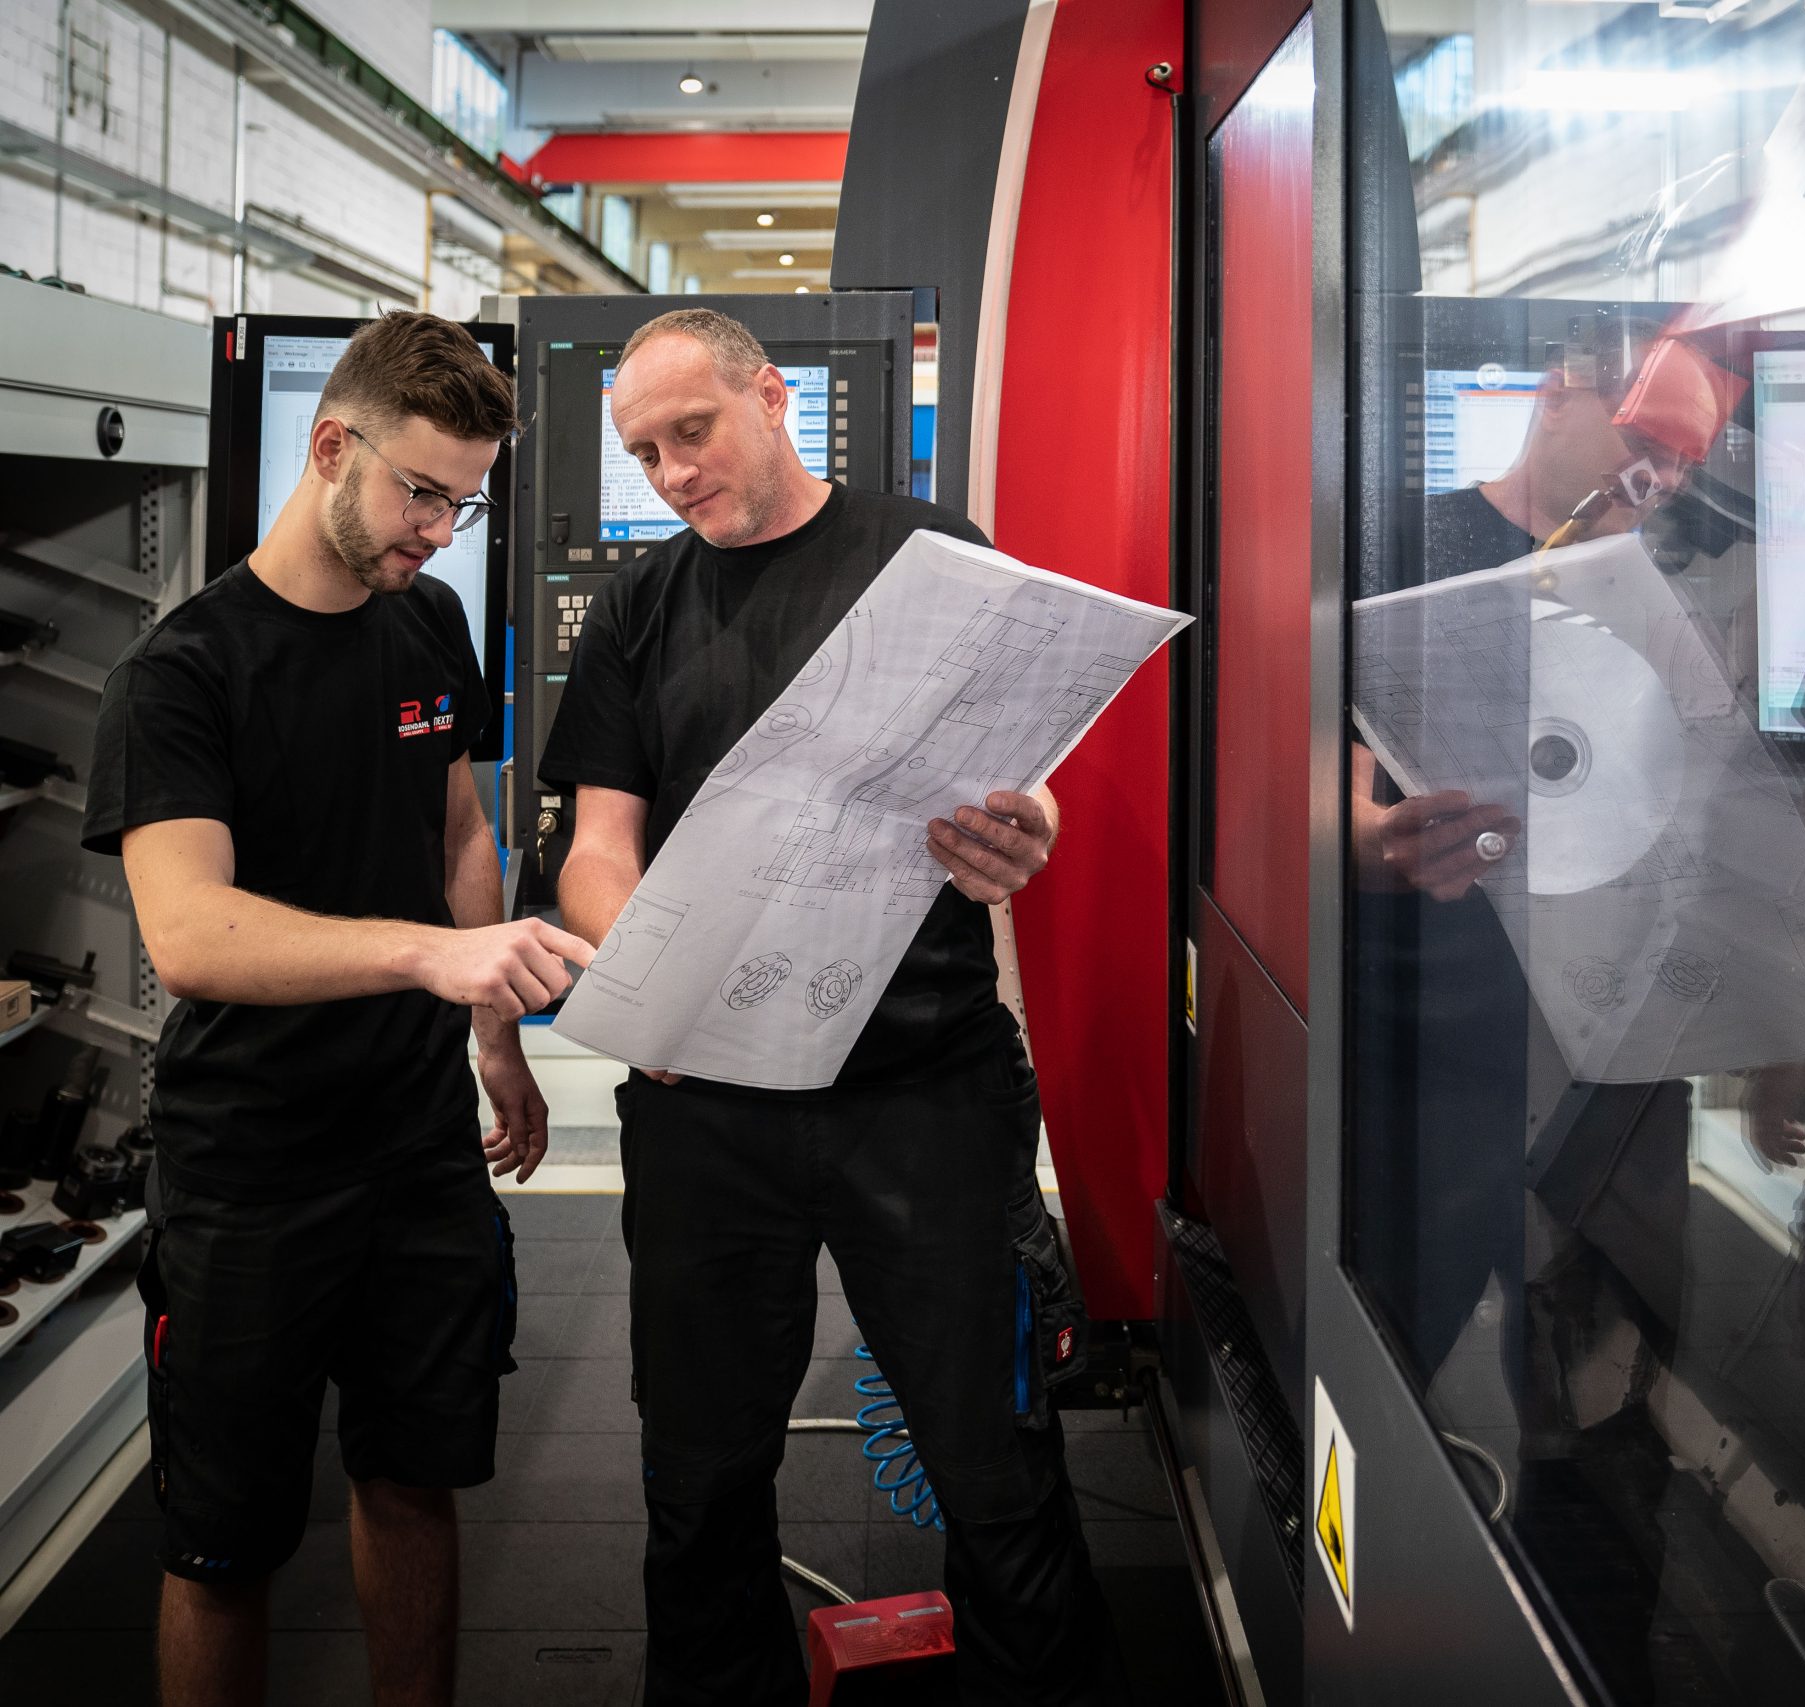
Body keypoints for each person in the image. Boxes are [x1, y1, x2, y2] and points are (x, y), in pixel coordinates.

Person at [540, 307, 1128, 1707]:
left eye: (693, 430)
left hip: (921, 1089)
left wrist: (1024, 830)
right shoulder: (639, 607)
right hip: (706, 1103)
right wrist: (650, 984)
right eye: (645, 453)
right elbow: (595, 849)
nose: (674, 471)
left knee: (990, 1457)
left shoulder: (936, 562)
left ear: (774, 395)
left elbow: (1018, 782)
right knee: (700, 1467)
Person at [83, 310, 589, 1707]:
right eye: (422, 490)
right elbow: (189, 933)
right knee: (223, 1538)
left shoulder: (424, 621)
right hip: (250, 1164)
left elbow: (461, 832)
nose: (442, 526)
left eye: (465, 497)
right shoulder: (184, 675)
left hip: (415, 1146)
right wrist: (429, 963)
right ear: (329, 448)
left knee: (418, 1476)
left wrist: (495, 1036)